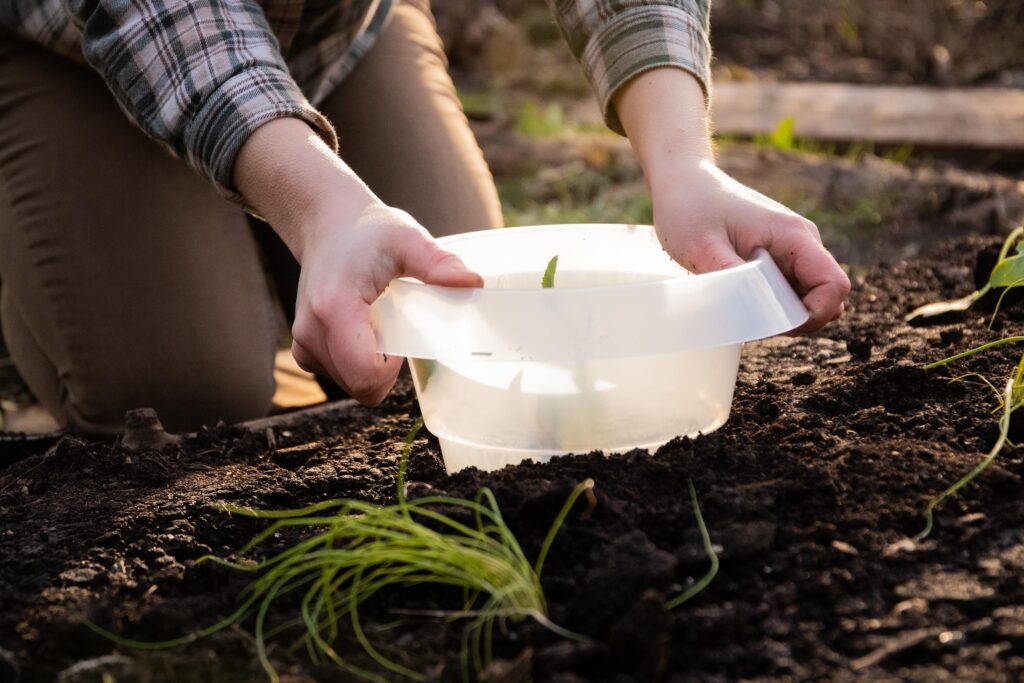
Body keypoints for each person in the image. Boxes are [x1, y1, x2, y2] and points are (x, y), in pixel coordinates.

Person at [0, 0, 850, 436]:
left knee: (457, 341)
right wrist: (322, 207)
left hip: (332, 27)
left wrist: (684, 163)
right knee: (186, 390)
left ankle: (256, 249)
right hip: (78, 43)